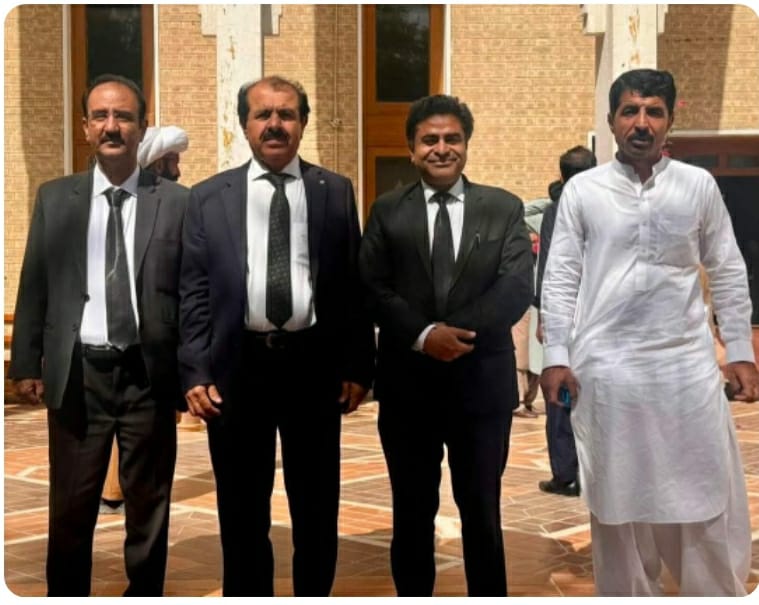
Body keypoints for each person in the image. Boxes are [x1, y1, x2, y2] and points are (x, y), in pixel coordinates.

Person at [540, 68, 759, 596]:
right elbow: (561, 276)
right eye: (630, 111)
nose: (642, 123)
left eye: (654, 112)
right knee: (617, 501)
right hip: (608, 369)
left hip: (684, 367)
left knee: (701, 489)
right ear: (612, 120)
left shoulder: (697, 185)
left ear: (670, 120)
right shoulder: (584, 191)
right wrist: (555, 355)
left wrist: (740, 349)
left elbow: (727, 268)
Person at [178, 75, 375, 596]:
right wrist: (195, 370)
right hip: (238, 369)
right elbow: (194, 290)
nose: (275, 124)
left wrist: (358, 365)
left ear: (303, 123)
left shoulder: (335, 191)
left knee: (317, 508)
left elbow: (350, 286)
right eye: (262, 114)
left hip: (313, 368)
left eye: (286, 114)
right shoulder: (208, 197)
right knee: (242, 510)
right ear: (243, 124)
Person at [8, 73, 188, 596]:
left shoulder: (176, 202)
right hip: (78, 375)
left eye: (124, 117)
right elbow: (35, 282)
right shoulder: (55, 198)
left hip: (147, 376)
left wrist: (192, 371)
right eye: (101, 116)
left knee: (149, 505)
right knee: (71, 504)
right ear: (85, 126)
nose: (112, 126)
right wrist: (26, 363)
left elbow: (191, 290)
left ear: (142, 127)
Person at [359, 94, 534, 596]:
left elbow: (515, 287)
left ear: (466, 144)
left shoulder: (502, 208)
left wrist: (450, 334)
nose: (441, 148)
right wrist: (423, 336)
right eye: (429, 140)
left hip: (481, 389)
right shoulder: (387, 211)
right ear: (411, 149)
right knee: (412, 513)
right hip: (408, 391)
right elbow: (371, 286)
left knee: (482, 513)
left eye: (452, 139)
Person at [99, 123, 191, 515]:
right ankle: (114, 489)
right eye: (172, 162)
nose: (178, 170)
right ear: (157, 163)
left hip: (158, 348)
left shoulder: (177, 205)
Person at [534, 146, 596, 497]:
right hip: (601, 316)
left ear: (561, 174)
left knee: (560, 393)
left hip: (565, 316)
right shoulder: (608, 203)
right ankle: (590, 471)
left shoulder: (556, 210)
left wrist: (545, 316)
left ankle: (565, 472)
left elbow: (549, 266)